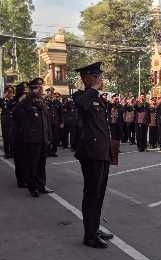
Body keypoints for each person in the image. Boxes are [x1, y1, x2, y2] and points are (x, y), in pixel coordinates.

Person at [73, 62, 113, 249]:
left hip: (102, 153)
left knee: (99, 194)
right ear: (85, 78)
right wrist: (94, 89)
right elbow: (82, 104)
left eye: (99, 76)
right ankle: (89, 236)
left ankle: (95, 228)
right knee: (91, 194)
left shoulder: (99, 98)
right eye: (95, 77)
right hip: (91, 153)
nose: (99, 79)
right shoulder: (81, 96)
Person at [14, 78, 54, 197]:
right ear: (33, 89)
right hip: (32, 138)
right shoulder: (27, 101)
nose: (41, 89)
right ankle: (33, 188)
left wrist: (49, 136)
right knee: (33, 164)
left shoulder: (41, 101)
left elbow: (46, 120)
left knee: (41, 164)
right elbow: (16, 113)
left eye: (41, 87)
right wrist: (28, 127)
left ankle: (41, 186)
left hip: (42, 138)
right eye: (38, 87)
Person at [12, 82, 29, 188]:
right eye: (24, 90)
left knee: (27, 159)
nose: (25, 92)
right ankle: (21, 181)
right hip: (18, 134)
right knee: (19, 159)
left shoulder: (27, 102)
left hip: (27, 134)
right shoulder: (14, 102)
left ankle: (27, 178)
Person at [46, 90, 64, 157]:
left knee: (55, 138)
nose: (51, 95)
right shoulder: (46, 102)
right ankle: (47, 151)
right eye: (50, 94)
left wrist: (62, 122)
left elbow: (61, 113)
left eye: (52, 94)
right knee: (48, 137)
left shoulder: (58, 102)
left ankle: (53, 151)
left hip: (56, 122)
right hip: (48, 123)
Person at [108, 94, 124, 165]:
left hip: (119, 123)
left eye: (117, 98)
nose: (116, 99)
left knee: (118, 137)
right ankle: (112, 150)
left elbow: (123, 110)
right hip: (112, 124)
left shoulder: (119, 106)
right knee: (113, 137)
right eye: (115, 98)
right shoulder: (109, 105)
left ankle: (117, 149)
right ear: (112, 98)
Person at [1, 85, 15, 159]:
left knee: (12, 137)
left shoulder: (14, 100)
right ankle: (7, 153)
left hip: (13, 121)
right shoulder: (3, 100)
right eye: (8, 92)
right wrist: (4, 96)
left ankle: (12, 152)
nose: (10, 93)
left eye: (11, 92)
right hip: (5, 121)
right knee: (6, 137)